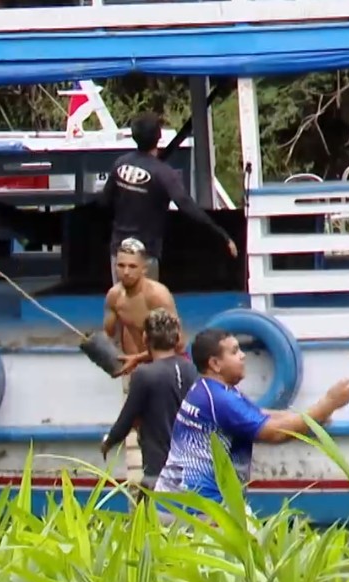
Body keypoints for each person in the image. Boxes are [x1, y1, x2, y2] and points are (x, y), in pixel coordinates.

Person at [154, 328, 349, 503]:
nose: (243, 356)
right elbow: (274, 433)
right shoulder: (221, 400)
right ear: (215, 364)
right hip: (197, 507)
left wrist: (313, 417)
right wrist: (329, 403)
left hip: (176, 498)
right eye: (234, 352)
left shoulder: (209, 388)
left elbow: (260, 414)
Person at [97, 111, 238, 281]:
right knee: (147, 304)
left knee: (121, 303)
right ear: (159, 136)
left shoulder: (120, 164)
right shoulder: (164, 173)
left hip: (119, 253)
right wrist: (222, 234)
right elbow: (186, 206)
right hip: (145, 254)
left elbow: (104, 203)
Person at [102, 308, 199, 494]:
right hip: (192, 470)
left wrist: (108, 441)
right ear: (177, 338)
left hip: (159, 471)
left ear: (145, 338)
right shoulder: (191, 369)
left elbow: (127, 419)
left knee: (149, 519)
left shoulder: (144, 375)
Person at [104, 237, 181, 376]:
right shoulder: (114, 296)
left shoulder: (157, 295)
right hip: (136, 366)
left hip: (168, 366)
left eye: (132, 266)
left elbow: (177, 342)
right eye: (121, 265)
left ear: (144, 268)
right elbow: (108, 336)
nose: (126, 272)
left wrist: (137, 359)